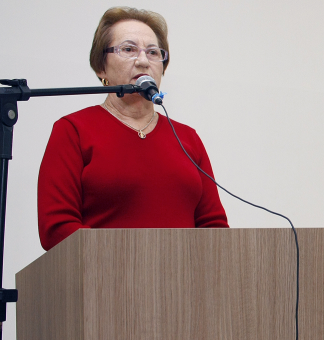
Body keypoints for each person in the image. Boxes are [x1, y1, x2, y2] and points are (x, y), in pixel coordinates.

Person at [37, 7, 228, 251]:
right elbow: (56, 227)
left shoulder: (187, 138)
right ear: (101, 67)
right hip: (103, 280)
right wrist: (132, 261)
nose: (143, 60)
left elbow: (214, 227)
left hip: (185, 284)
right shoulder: (73, 130)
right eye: (128, 49)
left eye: (153, 52)